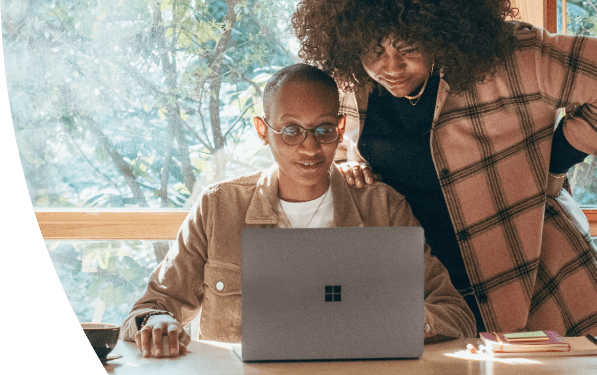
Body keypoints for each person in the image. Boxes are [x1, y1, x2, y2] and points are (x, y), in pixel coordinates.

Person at [292, 0, 597, 336]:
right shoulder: (351, 84)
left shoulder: (514, 57)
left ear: (440, 29)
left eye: (408, 47)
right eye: (374, 51)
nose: (390, 67)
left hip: (532, 278)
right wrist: (347, 165)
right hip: (426, 295)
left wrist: (555, 163)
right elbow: (339, 146)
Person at [120, 63, 476, 358]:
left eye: (323, 130)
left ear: (340, 130)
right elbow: (149, 308)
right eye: (291, 130)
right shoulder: (219, 207)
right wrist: (155, 322)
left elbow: (456, 314)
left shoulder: (381, 207)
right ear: (264, 131)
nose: (309, 146)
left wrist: (394, 322)